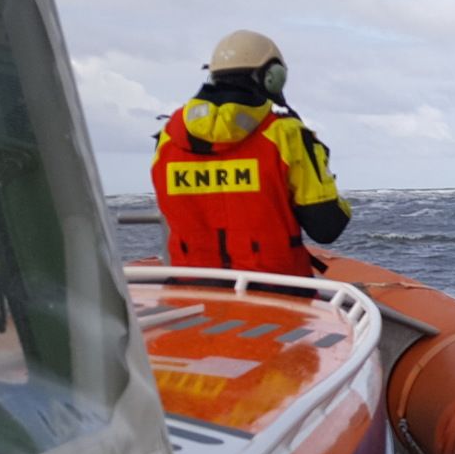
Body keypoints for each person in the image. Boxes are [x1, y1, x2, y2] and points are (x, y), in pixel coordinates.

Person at [150, 30, 350, 277]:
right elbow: (327, 227)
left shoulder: (168, 137)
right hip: (279, 293)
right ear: (272, 77)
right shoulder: (287, 135)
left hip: (194, 292)